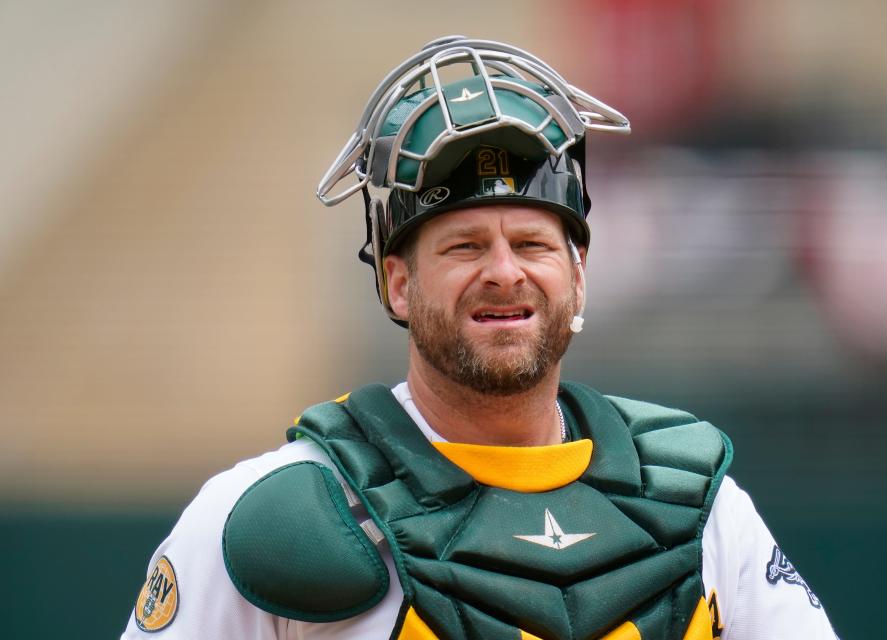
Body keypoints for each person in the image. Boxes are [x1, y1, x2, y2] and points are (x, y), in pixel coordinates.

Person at [122, 36, 837, 640]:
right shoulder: (282, 515)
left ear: (578, 275)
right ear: (398, 284)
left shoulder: (694, 503)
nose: (504, 273)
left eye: (532, 242)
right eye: (464, 246)